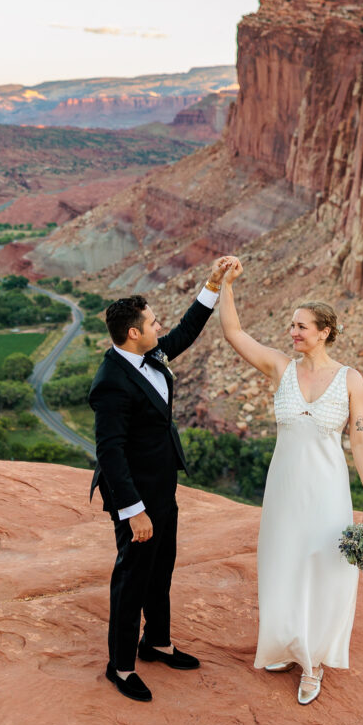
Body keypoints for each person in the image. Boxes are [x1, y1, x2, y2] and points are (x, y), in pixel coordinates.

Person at [219, 258, 363, 705]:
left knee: (326, 568)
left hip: (328, 490)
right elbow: (234, 333)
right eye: (292, 325)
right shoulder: (280, 368)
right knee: (283, 564)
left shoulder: (350, 380)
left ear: (324, 332)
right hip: (285, 489)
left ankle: (313, 663)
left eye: (301, 326)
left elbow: (361, 440)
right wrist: (225, 285)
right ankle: (289, 644)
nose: (292, 332)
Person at [89, 257, 231, 702]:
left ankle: (157, 641)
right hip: (135, 495)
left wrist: (212, 284)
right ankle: (121, 665)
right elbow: (110, 451)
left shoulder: (149, 355)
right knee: (132, 577)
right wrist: (134, 511)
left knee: (161, 566)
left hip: (162, 485)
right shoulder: (111, 382)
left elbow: (185, 333)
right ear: (133, 333)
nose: (159, 326)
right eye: (152, 323)